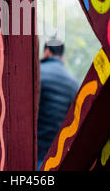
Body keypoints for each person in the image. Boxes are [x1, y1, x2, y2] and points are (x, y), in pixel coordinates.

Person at [37, 39, 79, 168]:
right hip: (57, 153)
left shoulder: (38, 74)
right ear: (62, 56)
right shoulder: (73, 82)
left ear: (47, 51)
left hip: (35, 149)